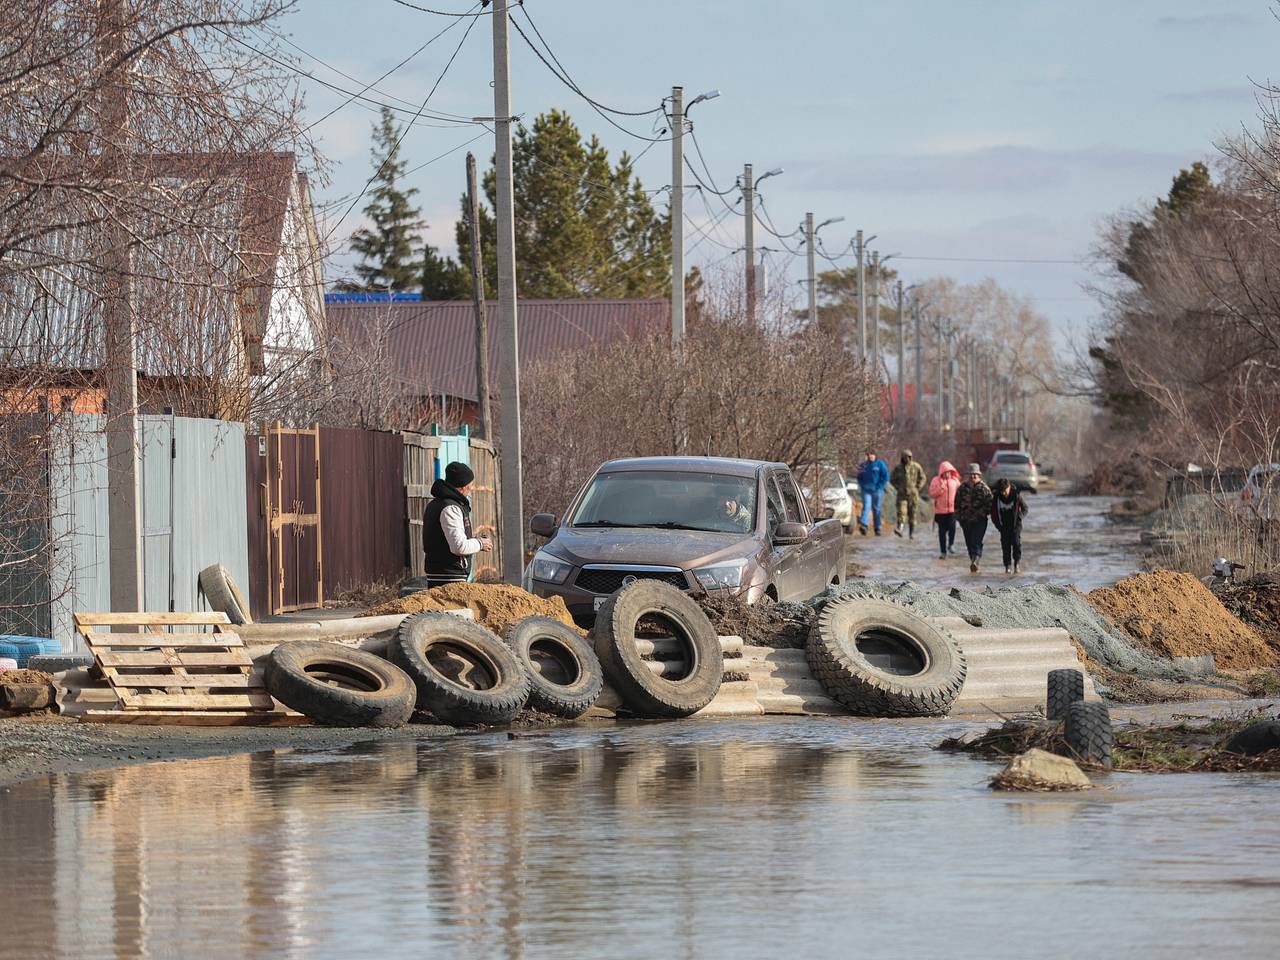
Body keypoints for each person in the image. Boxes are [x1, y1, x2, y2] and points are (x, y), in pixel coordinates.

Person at [422, 461, 492, 587]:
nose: (469, 491)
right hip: (449, 578)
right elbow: (459, 546)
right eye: (469, 487)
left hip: (441, 575)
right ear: (462, 487)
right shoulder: (451, 508)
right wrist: (481, 543)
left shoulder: (436, 504)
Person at [954, 462, 993, 573]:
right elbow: (956, 503)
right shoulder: (962, 488)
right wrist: (959, 517)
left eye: (975, 474)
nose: (973, 477)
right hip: (965, 520)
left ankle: (976, 561)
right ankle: (973, 561)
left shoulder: (984, 488)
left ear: (979, 475)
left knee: (977, 540)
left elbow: (990, 505)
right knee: (969, 542)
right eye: (971, 474)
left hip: (980, 520)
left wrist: (981, 513)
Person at [991, 478, 1029, 575]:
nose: (1004, 493)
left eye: (1005, 490)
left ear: (1009, 487)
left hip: (1016, 525)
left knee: (1016, 543)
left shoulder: (1016, 495)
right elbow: (993, 513)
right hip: (1003, 526)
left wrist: (1020, 516)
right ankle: (1007, 566)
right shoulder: (997, 496)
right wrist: (998, 525)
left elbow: (1025, 508)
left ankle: (1017, 564)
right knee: (1005, 546)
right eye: (1002, 491)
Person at [890, 449, 928, 539]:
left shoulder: (916, 466)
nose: (906, 459)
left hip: (913, 494)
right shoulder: (898, 468)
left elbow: (923, 478)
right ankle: (900, 529)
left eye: (908, 457)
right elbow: (892, 479)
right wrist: (897, 487)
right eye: (905, 457)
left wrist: (917, 487)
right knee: (901, 512)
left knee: (912, 513)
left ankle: (911, 534)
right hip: (901, 494)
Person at [928, 460, 961, 560]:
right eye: (945, 472)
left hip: (952, 510)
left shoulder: (955, 481)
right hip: (940, 512)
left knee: (952, 528)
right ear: (941, 472)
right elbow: (932, 494)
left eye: (949, 471)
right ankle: (943, 552)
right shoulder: (936, 480)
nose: (947, 474)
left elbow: (960, 492)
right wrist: (941, 488)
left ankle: (951, 544)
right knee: (941, 533)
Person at [856, 451, 890, 536]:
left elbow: (886, 476)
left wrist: (880, 486)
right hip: (866, 490)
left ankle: (877, 527)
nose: (870, 456)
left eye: (872, 454)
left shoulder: (880, 464)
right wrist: (862, 485)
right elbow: (859, 477)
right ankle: (864, 525)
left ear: (875, 455)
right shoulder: (863, 465)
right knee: (866, 506)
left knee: (876, 509)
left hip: (877, 490)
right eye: (869, 454)